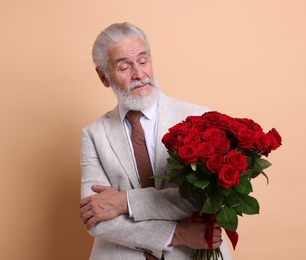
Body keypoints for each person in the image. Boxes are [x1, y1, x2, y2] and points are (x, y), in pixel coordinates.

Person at [79, 22, 232, 260]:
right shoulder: (93, 134)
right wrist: (176, 233)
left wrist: (124, 202)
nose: (139, 74)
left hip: (194, 253)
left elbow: (200, 199)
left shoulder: (197, 118)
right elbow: (96, 220)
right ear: (103, 76)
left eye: (143, 61)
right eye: (124, 66)